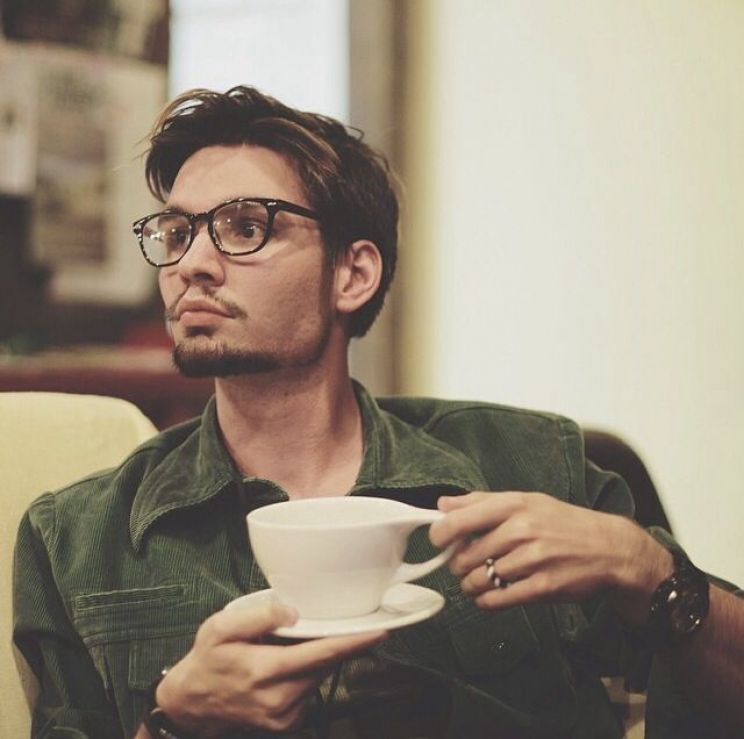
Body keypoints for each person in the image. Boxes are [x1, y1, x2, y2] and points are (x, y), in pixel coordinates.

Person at [13, 85, 744, 739]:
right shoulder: (77, 535)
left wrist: (644, 568)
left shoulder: (530, 462)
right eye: (177, 233)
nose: (191, 264)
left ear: (353, 273)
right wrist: (174, 722)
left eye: (244, 226)